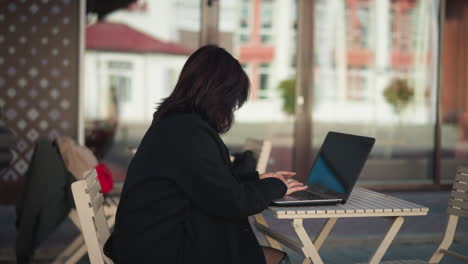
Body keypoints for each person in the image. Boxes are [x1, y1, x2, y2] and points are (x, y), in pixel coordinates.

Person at [104, 45, 307, 264]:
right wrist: (278, 187)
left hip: (151, 243)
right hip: (162, 252)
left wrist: (256, 179)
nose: (231, 109)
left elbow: (205, 184)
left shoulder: (176, 124)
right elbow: (232, 203)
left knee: (260, 254)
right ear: (219, 96)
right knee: (278, 259)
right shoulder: (189, 133)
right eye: (232, 101)